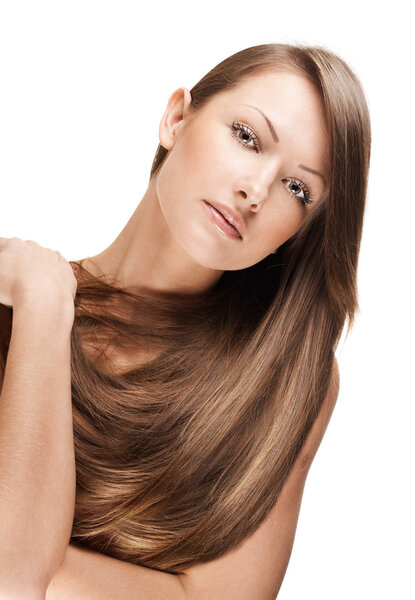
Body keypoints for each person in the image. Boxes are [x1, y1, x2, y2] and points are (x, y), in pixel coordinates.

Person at [0, 42, 371, 599]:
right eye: (247, 137)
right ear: (176, 118)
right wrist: (45, 308)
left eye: (298, 188)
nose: (256, 191)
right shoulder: (18, 303)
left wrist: (47, 304)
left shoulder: (286, 379)